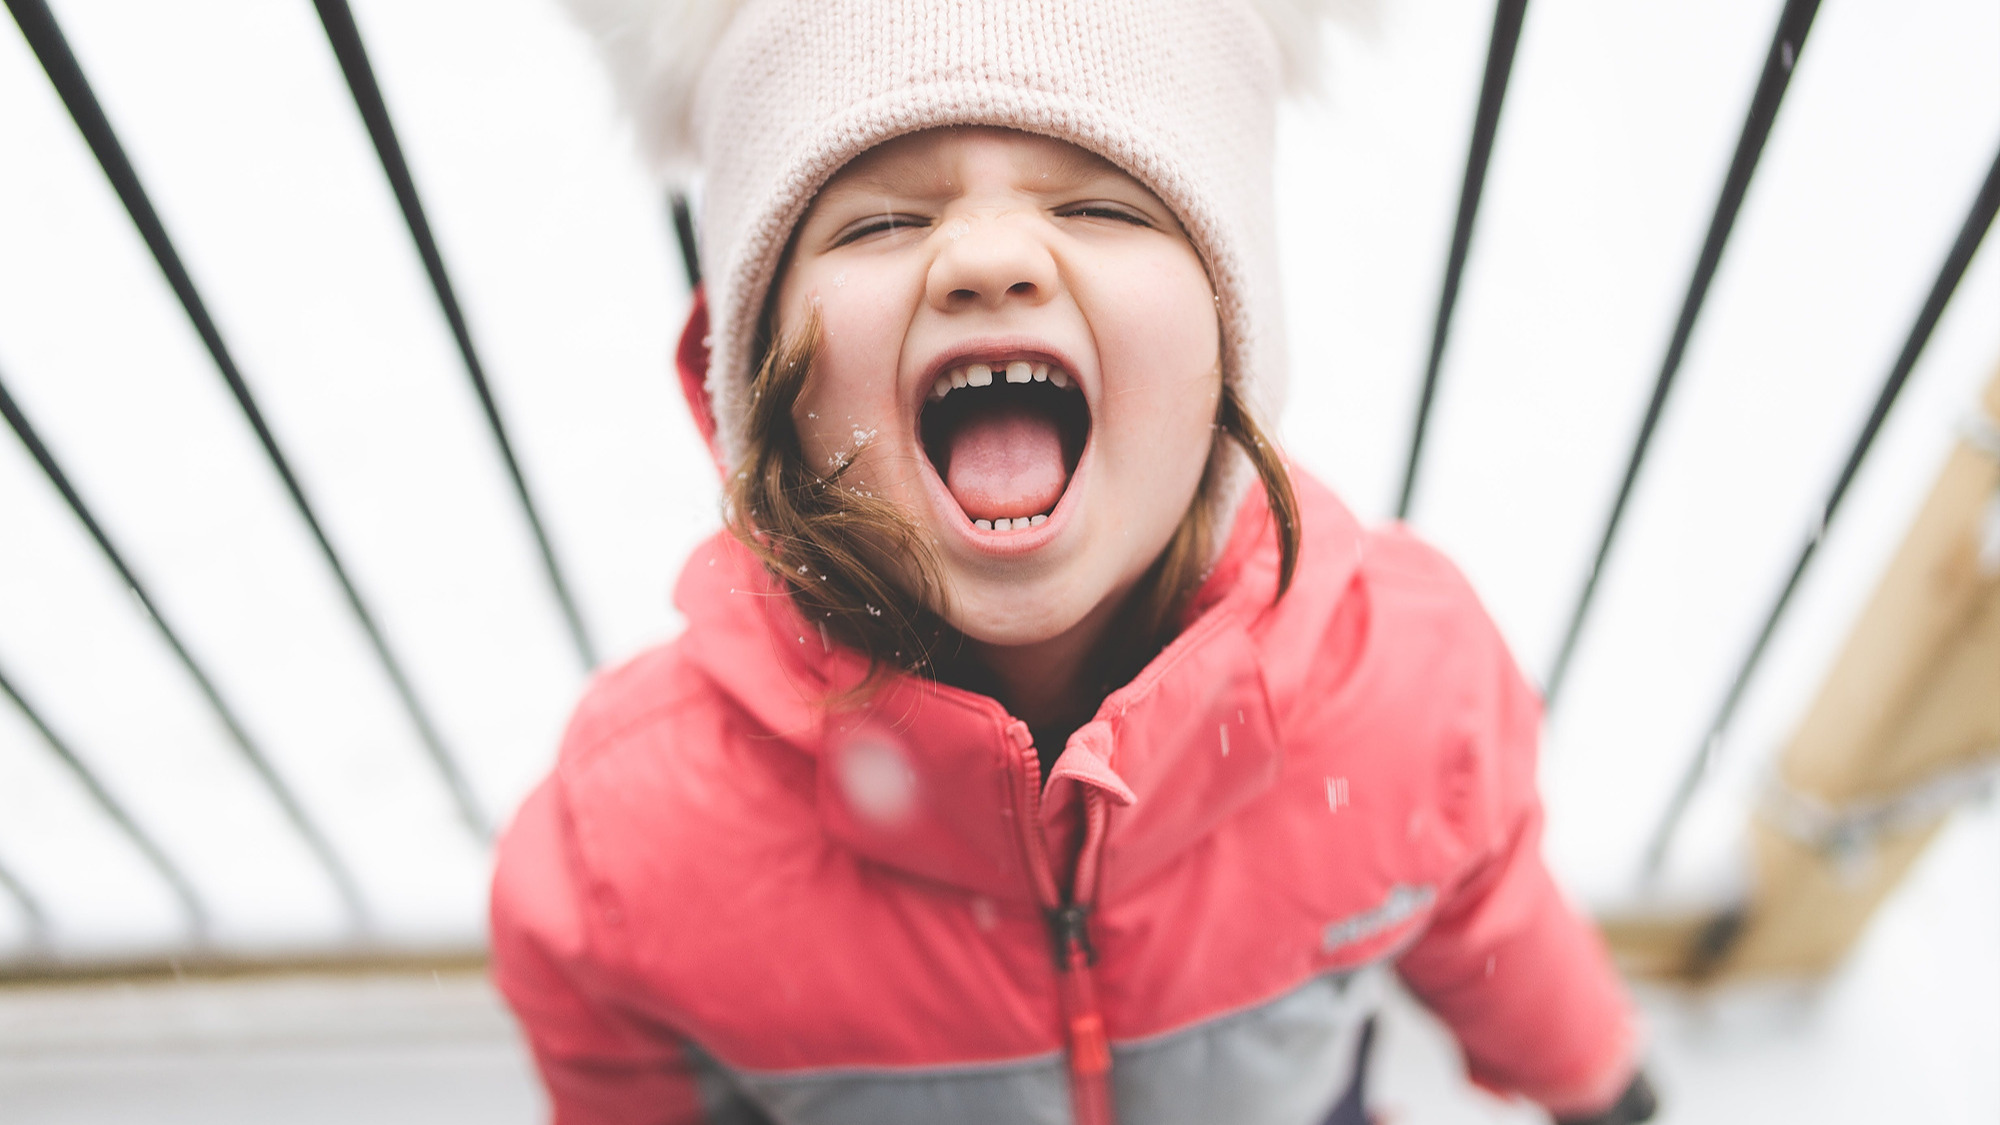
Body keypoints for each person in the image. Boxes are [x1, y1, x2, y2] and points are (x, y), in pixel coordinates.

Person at [491, 2, 1659, 1123]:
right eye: (881, 222)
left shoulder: (1400, 686)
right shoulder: (636, 838)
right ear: (753, 387)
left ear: (1228, 345)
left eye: (1102, 207)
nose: (989, 257)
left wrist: (1592, 1080)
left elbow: (1487, 916)